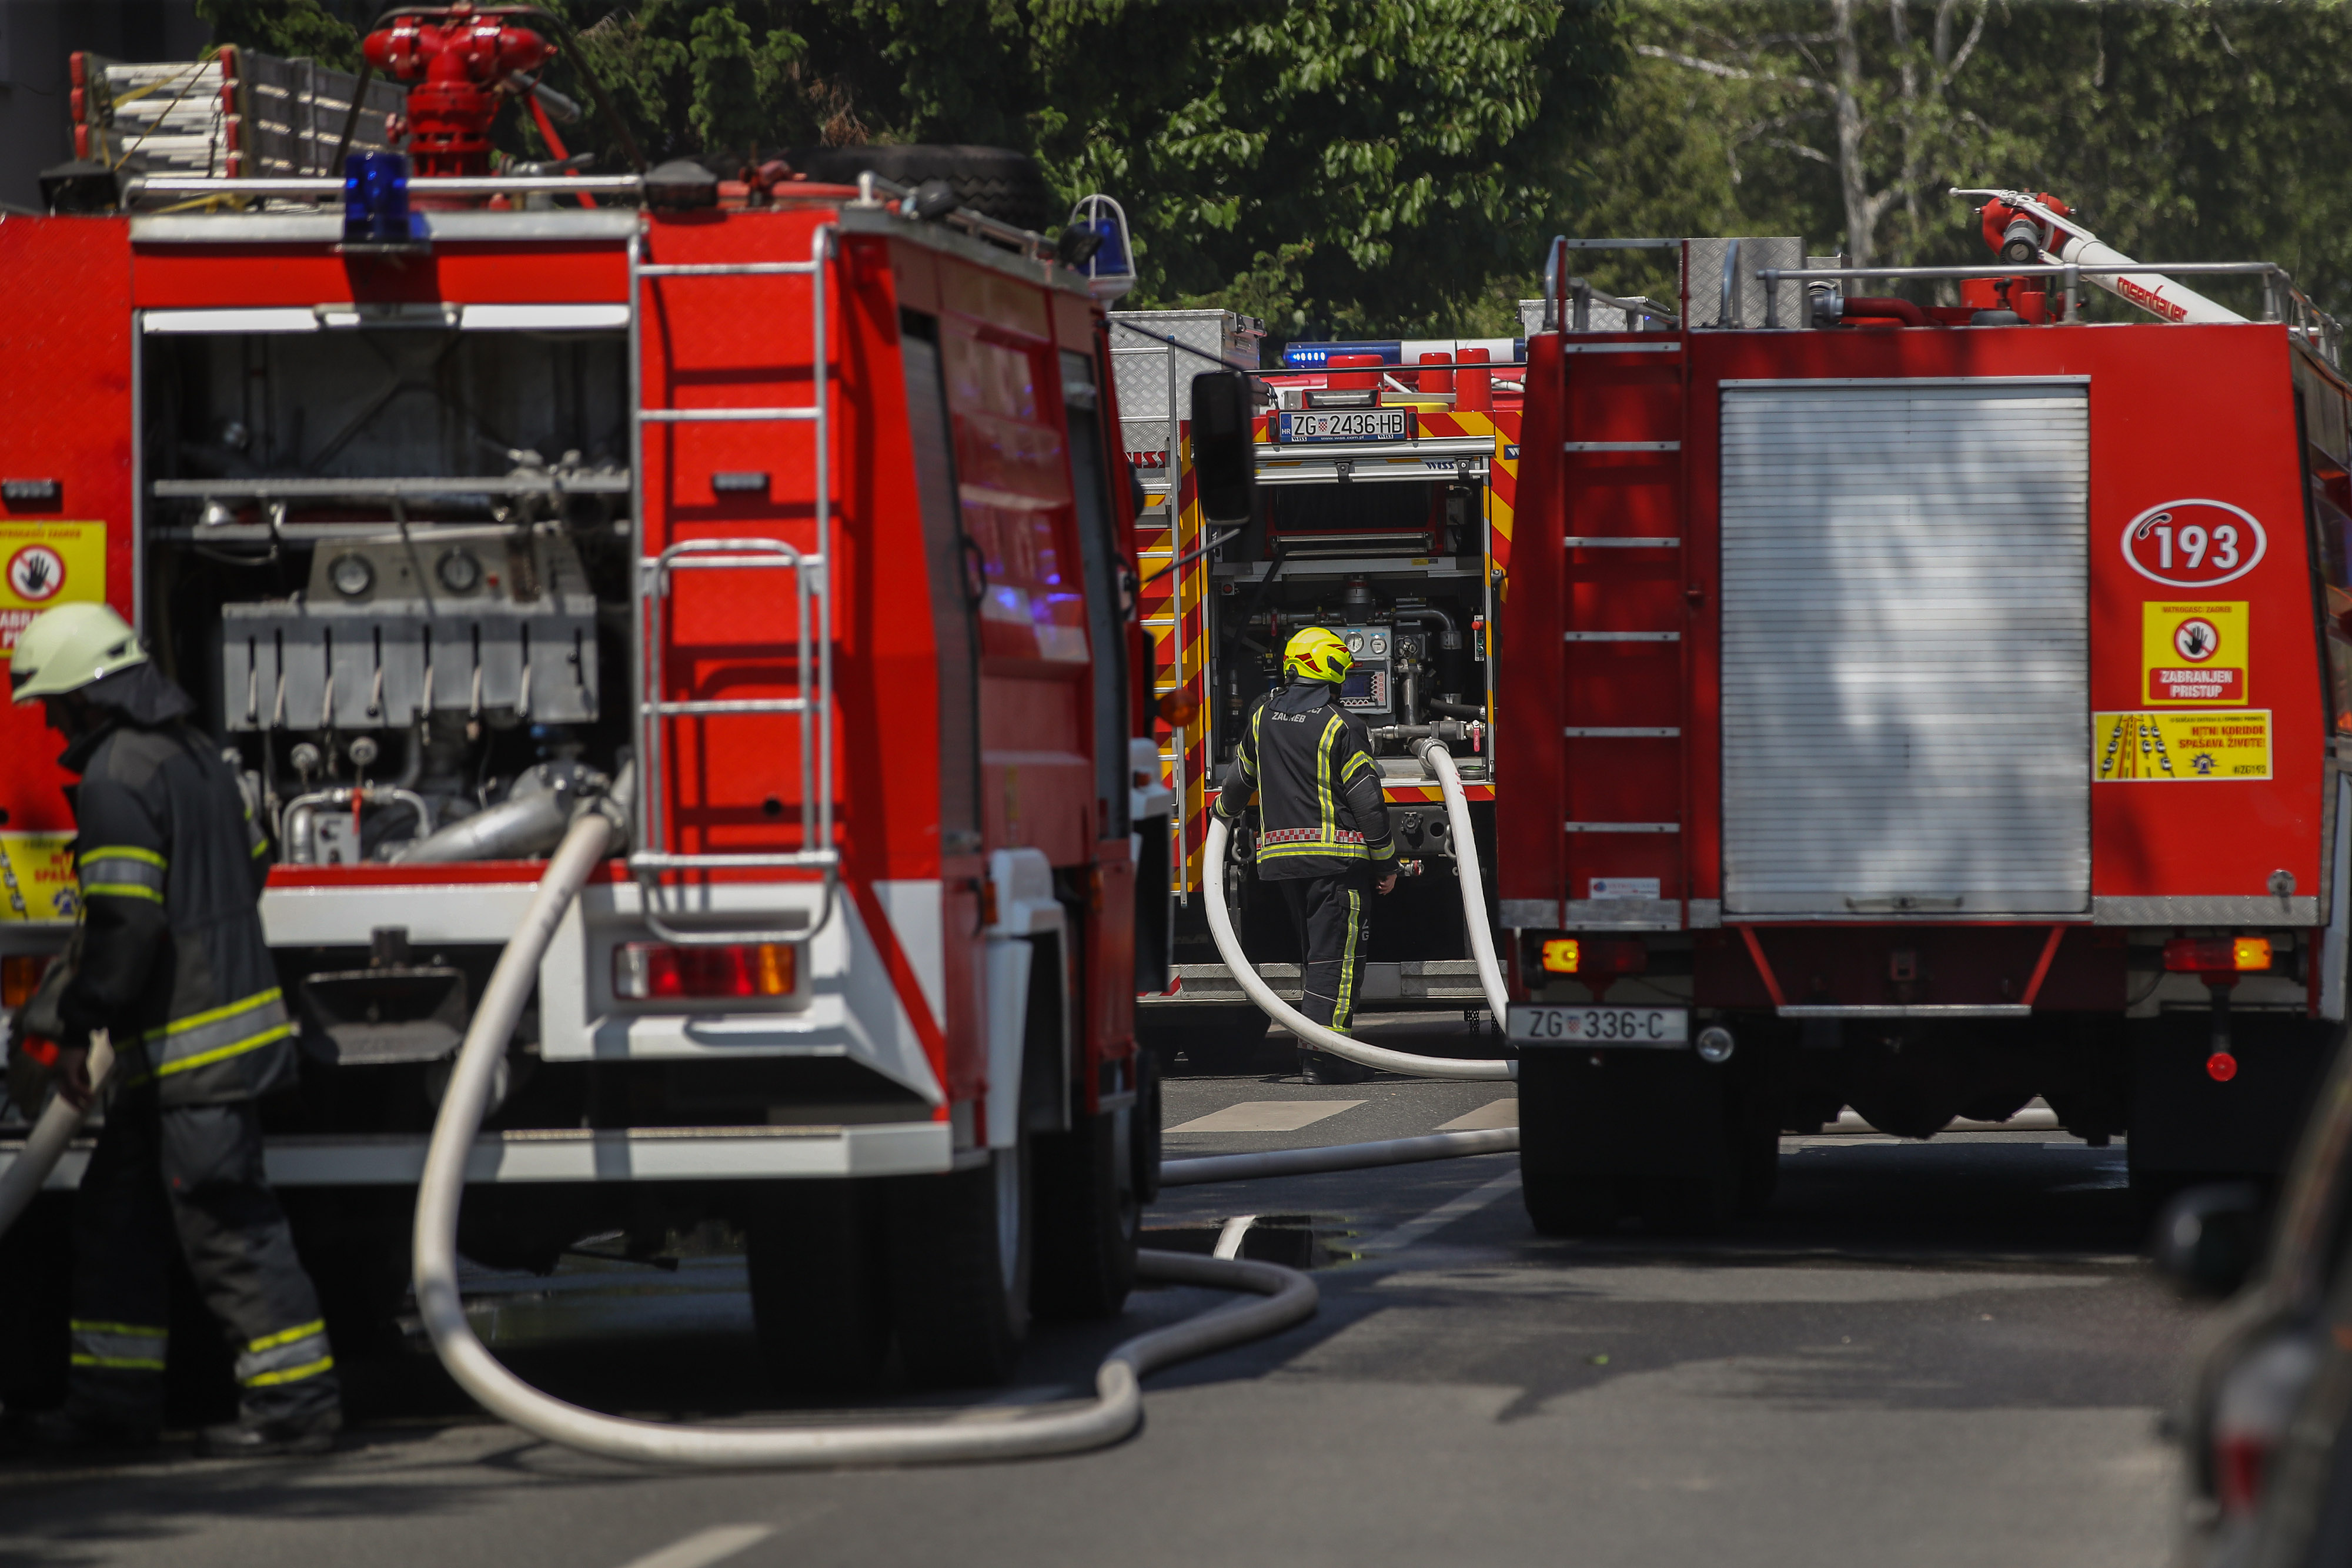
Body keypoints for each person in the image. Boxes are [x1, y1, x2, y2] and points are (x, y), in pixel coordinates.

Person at [4, 602, 340, 1457]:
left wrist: (76, 1026)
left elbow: (125, 924)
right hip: (184, 1054)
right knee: (118, 1226)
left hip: (195, 1057)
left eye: (51, 705)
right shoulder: (197, 757)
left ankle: (296, 1405)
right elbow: (253, 862)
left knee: (229, 1229)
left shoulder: (116, 776)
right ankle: (110, 1408)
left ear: (85, 695)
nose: (50, 724)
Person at [1213, 626, 1399, 1084]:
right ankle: (1326, 1056)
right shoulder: (1342, 725)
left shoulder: (1262, 716)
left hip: (1282, 864)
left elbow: (1240, 781)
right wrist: (1386, 862)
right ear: (1333, 670)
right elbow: (1368, 803)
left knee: (1316, 959)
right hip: (1337, 864)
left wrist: (1220, 814)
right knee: (1337, 961)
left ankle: (1317, 1050)